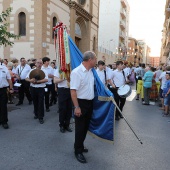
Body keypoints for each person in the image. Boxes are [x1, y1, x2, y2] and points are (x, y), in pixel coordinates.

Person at [70, 51, 97, 163]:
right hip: (80, 103)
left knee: (85, 127)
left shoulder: (91, 72)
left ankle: (79, 145)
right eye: (95, 59)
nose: (96, 61)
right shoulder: (77, 72)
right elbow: (73, 91)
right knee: (80, 128)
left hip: (89, 103)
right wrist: (76, 107)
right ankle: (78, 151)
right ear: (90, 59)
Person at [25, 59, 48, 124]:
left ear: (42, 64)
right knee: (35, 101)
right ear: (35, 64)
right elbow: (26, 78)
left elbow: (46, 79)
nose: (39, 64)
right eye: (38, 63)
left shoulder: (44, 71)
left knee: (41, 102)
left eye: (40, 63)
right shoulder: (31, 70)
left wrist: (37, 82)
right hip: (33, 88)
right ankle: (36, 114)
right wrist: (30, 81)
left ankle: (41, 117)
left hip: (41, 88)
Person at [54, 68, 72, 133]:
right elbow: (55, 81)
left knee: (69, 109)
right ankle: (61, 125)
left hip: (70, 90)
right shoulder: (59, 70)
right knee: (63, 109)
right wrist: (64, 78)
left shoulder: (71, 69)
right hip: (62, 90)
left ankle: (67, 125)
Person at [0, 64, 14, 129]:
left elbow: (9, 79)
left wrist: (11, 89)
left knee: (3, 106)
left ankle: (4, 122)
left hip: (3, 90)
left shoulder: (4, 68)